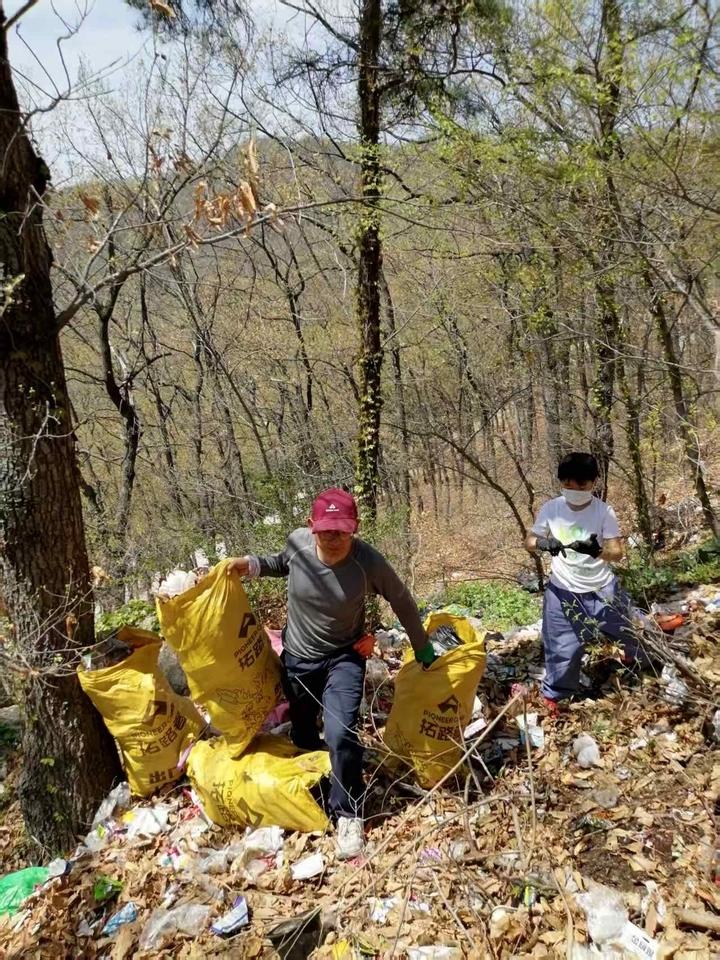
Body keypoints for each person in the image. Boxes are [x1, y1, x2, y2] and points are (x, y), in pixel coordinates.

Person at [227, 488, 436, 858]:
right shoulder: (298, 544)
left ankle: (348, 813)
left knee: (340, 733)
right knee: (305, 733)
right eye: (326, 531)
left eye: (342, 531)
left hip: (344, 657)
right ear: (312, 526)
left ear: (355, 528)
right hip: (298, 660)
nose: (334, 539)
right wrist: (251, 565)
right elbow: (281, 563)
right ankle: (313, 789)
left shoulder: (367, 562)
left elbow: (401, 598)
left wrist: (421, 646)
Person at [524, 452, 641, 715]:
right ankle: (556, 696)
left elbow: (617, 552)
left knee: (631, 632)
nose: (574, 489)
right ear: (561, 482)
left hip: (602, 589)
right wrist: (543, 543)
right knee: (561, 648)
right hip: (562, 590)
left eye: (581, 484)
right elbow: (529, 542)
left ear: (593, 483)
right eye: (568, 483)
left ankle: (641, 666)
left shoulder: (603, 511)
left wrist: (596, 551)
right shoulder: (552, 509)